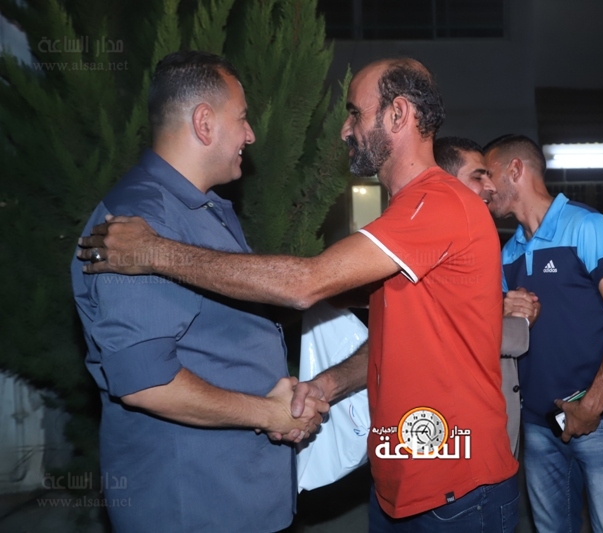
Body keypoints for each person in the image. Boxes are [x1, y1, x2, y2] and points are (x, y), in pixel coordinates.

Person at [78, 58, 520, 532]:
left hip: (457, 487)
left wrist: (155, 252)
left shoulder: (437, 203)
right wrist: (325, 386)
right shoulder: (404, 218)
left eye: (355, 113)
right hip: (404, 480)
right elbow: (396, 341)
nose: (345, 130)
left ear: (397, 115)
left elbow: (305, 283)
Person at [70, 51, 327, 533]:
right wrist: (269, 413)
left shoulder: (198, 208)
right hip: (193, 504)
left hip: (232, 492)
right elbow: (147, 384)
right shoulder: (142, 220)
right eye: (242, 118)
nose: (250, 135)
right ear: (204, 123)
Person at [482, 134, 603, 533]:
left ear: (515, 170)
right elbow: (497, 337)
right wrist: (498, 309)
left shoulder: (587, 225)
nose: (484, 187)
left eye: (489, 175)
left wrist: (592, 405)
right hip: (539, 425)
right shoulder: (507, 254)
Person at [433, 136, 539, 458]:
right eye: (479, 176)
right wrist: (519, 319)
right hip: (459, 426)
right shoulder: (438, 247)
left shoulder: (474, 240)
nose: (490, 186)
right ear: (446, 183)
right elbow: (459, 333)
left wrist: (503, 307)